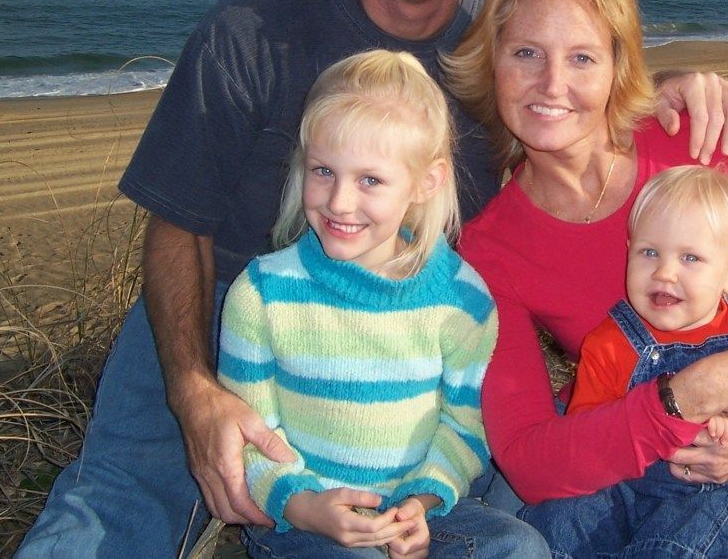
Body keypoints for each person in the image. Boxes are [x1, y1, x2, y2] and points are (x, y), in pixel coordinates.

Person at [17, 0, 728, 557]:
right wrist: (194, 393)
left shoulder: (500, 54)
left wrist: (663, 90)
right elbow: (178, 225)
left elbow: (571, 102)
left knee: (475, 522)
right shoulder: (253, 31)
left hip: (404, 334)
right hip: (230, 305)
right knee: (119, 504)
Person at [446, 0, 728, 558]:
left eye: (582, 57)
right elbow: (528, 456)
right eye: (526, 53)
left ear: (617, 68)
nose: (553, 84)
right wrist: (682, 397)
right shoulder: (490, 248)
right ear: (492, 65)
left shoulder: (709, 143)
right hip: (618, 468)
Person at [218, 50, 544, 557]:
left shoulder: (462, 301)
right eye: (323, 171)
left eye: (370, 180)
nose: (340, 202)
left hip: (418, 511)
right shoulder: (261, 294)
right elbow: (250, 435)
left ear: (425, 182)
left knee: (520, 547)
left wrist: (423, 501)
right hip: (303, 520)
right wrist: (304, 506)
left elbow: (464, 426)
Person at [519, 166, 728, 556]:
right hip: (624, 482)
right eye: (649, 252)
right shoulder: (612, 342)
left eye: (691, 258)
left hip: (709, 489)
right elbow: (591, 432)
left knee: (675, 546)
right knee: (559, 523)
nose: (664, 272)